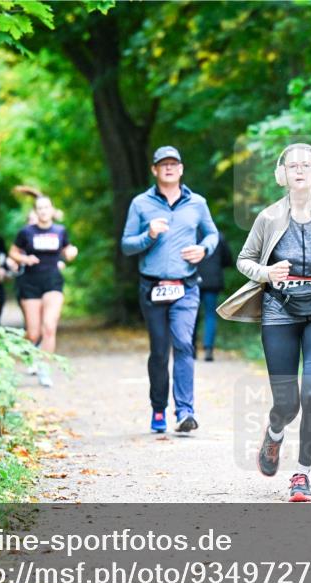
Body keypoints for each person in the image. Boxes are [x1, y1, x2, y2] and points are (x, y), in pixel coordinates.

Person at [217, 143, 311, 502]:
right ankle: (275, 432)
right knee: (288, 404)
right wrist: (266, 272)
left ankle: (302, 475)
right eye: (293, 166)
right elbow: (244, 260)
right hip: (278, 312)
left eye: (306, 165)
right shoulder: (268, 217)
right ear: (282, 175)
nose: (299, 170)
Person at [121, 145, 218, 434]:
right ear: (154, 170)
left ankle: (185, 411)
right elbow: (126, 245)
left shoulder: (197, 203)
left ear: (181, 169)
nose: (169, 168)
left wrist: (203, 249)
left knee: (184, 344)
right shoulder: (140, 203)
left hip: (185, 287)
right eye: (163, 164)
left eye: (173, 163)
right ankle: (158, 408)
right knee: (160, 351)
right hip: (152, 287)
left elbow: (212, 234)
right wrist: (148, 235)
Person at [8, 193, 78, 387]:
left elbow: (67, 249)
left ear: (52, 210)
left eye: (46, 207)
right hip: (30, 283)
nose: (43, 211)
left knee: (49, 327)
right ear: (36, 212)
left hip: (52, 282)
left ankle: (44, 369)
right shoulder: (26, 232)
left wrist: (71, 252)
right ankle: (23, 352)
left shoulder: (60, 230)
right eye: (40, 208)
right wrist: (25, 259)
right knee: (33, 333)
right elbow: (13, 253)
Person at [193, 229, 233, 361]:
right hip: (213, 281)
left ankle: (191, 348)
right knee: (210, 315)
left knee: (192, 315)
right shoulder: (218, 236)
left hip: (194, 280)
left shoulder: (191, 234)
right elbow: (228, 259)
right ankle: (208, 349)